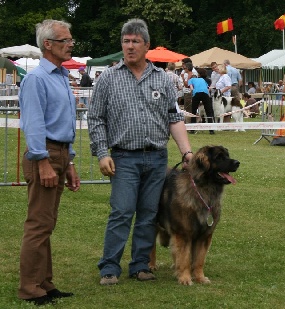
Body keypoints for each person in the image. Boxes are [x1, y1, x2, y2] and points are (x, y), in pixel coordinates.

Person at [87, 18, 193, 286]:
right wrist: (102, 153)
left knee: (148, 214)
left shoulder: (162, 79)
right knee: (122, 212)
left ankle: (140, 265)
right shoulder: (108, 78)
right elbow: (95, 118)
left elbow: (174, 118)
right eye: (126, 41)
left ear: (146, 46)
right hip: (123, 156)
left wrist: (187, 153)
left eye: (135, 41)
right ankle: (109, 267)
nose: (130, 46)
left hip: (157, 157)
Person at [18, 19, 80, 306]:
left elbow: (63, 123)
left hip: (59, 154)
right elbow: (33, 124)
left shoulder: (59, 76)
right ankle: (30, 287)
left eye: (69, 40)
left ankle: (44, 282)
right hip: (45, 155)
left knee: (47, 223)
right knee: (39, 224)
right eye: (65, 40)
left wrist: (69, 163)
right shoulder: (37, 79)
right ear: (48, 44)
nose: (71, 44)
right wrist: (42, 161)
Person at [188, 68, 215, 134]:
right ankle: (211, 130)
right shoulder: (203, 80)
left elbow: (191, 89)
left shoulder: (190, 80)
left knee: (193, 111)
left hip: (196, 93)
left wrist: (192, 96)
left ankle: (192, 130)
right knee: (208, 111)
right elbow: (207, 88)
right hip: (205, 94)